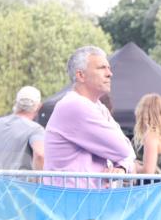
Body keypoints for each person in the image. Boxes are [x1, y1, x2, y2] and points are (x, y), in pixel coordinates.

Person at [45, 46, 135, 183]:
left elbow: (128, 152)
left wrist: (122, 167)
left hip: (84, 199)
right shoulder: (75, 105)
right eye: (101, 68)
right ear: (80, 75)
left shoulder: (99, 107)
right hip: (71, 200)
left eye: (109, 68)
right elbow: (124, 150)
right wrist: (124, 161)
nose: (109, 73)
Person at [0, 86, 46, 171]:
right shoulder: (35, 129)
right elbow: (40, 154)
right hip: (20, 183)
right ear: (39, 106)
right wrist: (39, 180)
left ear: (16, 103)